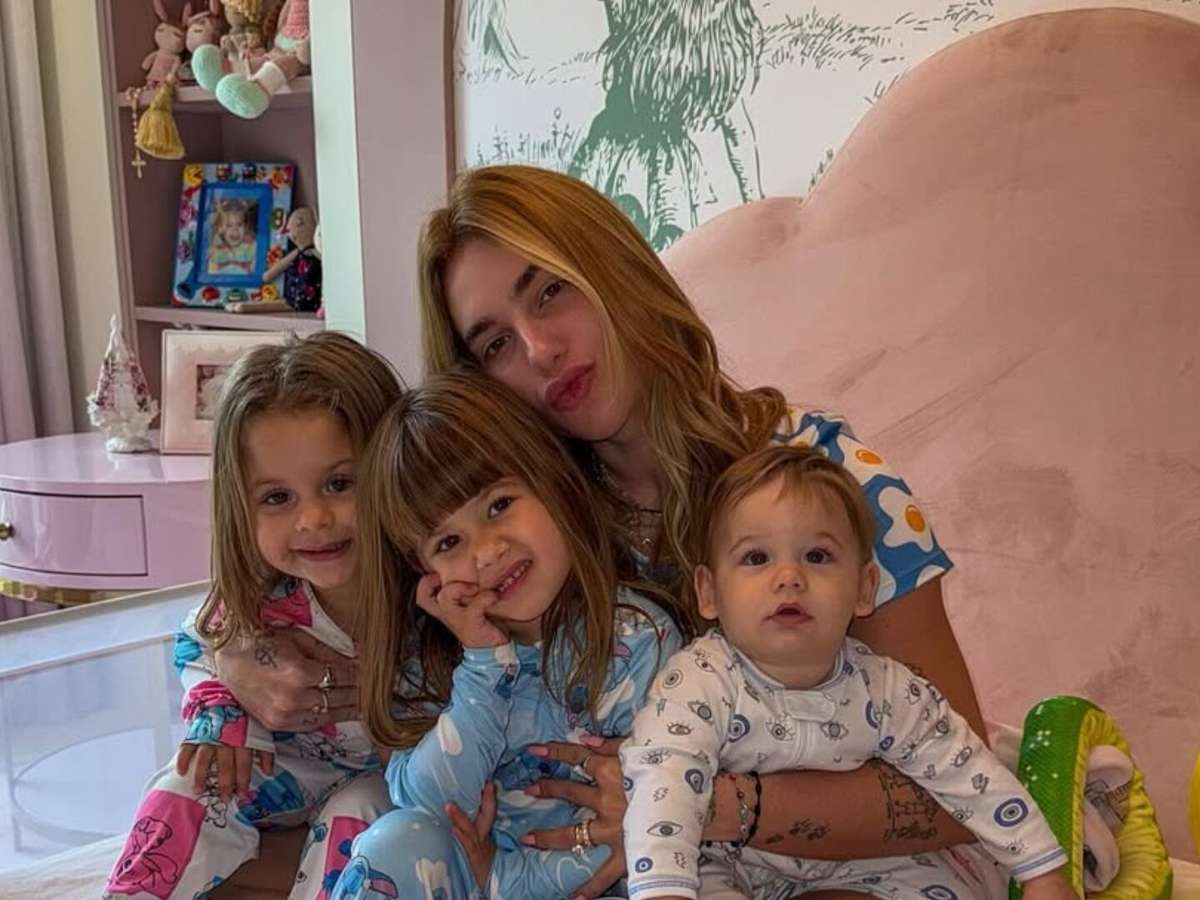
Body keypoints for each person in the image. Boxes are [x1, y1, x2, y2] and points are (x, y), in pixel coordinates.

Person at [215, 164, 992, 898]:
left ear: (615, 269)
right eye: (495, 343)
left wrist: (694, 805)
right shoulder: (525, 524)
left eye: (550, 291)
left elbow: (960, 791)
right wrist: (229, 666)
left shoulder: (826, 480)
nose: (540, 349)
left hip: (855, 869)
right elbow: (344, 573)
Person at [621, 445, 1073, 900]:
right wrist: (664, 892)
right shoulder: (698, 683)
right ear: (709, 592)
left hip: (863, 863)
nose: (789, 577)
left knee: (936, 885)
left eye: (817, 556)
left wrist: (1041, 870)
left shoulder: (886, 689)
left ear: (863, 588)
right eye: (756, 558)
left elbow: (969, 772)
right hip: (730, 863)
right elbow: (664, 783)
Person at [329, 371, 683, 900]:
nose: (488, 551)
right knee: (395, 842)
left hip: (588, 886)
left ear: (552, 483)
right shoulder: (432, 660)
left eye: (499, 506)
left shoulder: (640, 642)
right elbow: (429, 804)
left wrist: (505, 881)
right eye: (449, 542)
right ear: (424, 574)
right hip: (476, 879)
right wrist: (482, 666)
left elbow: (651, 823)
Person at [103, 332, 404, 900]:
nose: (313, 519)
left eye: (340, 484)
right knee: (189, 783)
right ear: (241, 506)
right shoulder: (261, 596)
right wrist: (218, 713)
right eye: (277, 498)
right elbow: (195, 642)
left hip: (381, 788)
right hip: (279, 772)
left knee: (362, 811)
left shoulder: (435, 597)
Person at [207, 198, 257, 275]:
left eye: (239, 225)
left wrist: (254, 265)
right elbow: (211, 272)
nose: (235, 230)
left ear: (245, 226)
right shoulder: (216, 249)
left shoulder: (251, 247)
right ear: (220, 228)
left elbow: (256, 270)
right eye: (229, 226)